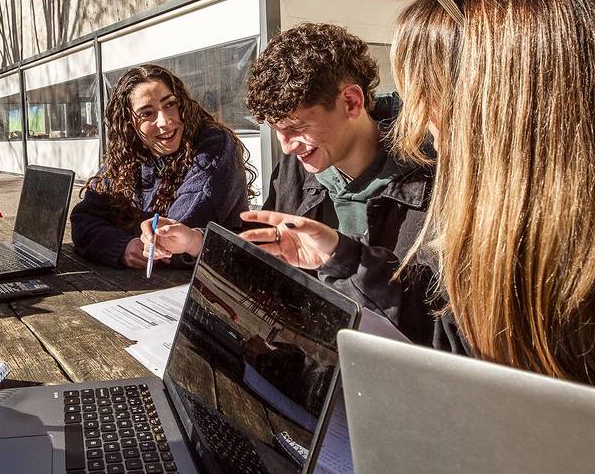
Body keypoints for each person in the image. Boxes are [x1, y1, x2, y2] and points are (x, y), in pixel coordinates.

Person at [260, 0, 595, 412]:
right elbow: (468, 341)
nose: (418, 126)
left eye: (429, 97)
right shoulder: (533, 204)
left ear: (506, 98)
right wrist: (346, 257)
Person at [143, 24, 439, 343]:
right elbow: (270, 252)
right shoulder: (297, 165)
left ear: (352, 102)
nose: (286, 146)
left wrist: (346, 259)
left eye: (297, 127)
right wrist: (194, 241)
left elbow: (442, 322)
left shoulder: (436, 176)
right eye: (277, 131)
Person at [71, 65, 254, 269]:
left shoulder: (213, 145)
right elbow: (83, 219)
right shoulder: (128, 154)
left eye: (170, 104)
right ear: (128, 124)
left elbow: (171, 237)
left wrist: (134, 238)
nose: (165, 121)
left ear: (182, 104)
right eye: (147, 114)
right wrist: (122, 246)